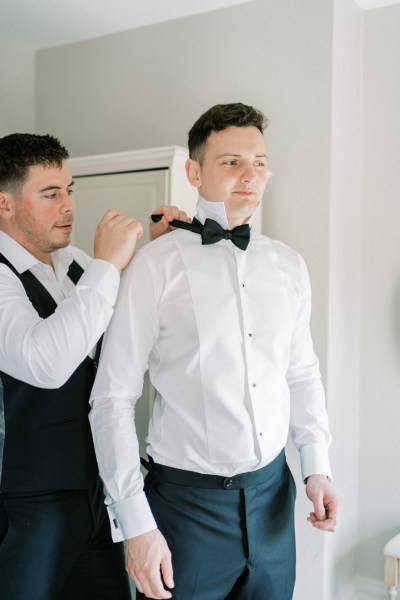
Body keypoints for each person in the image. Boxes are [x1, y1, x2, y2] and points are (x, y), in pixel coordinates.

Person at [89, 103, 341, 600]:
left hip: (273, 497)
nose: (250, 176)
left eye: (260, 162)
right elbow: (111, 400)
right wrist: (136, 525)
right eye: (231, 162)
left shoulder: (288, 267)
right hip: (185, 509)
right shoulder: (152, 268)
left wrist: (318, 466)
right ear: (193, 171)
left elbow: (301, 375)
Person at [0, 132, 184, 600]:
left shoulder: (78, 263)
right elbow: (46, 363)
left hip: (95, 499)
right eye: (50, 194)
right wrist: (107, 265)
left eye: (70, 190)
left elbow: (127, 312)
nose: (69, 206)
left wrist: (157, 251)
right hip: (22, 512)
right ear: (4, 204)